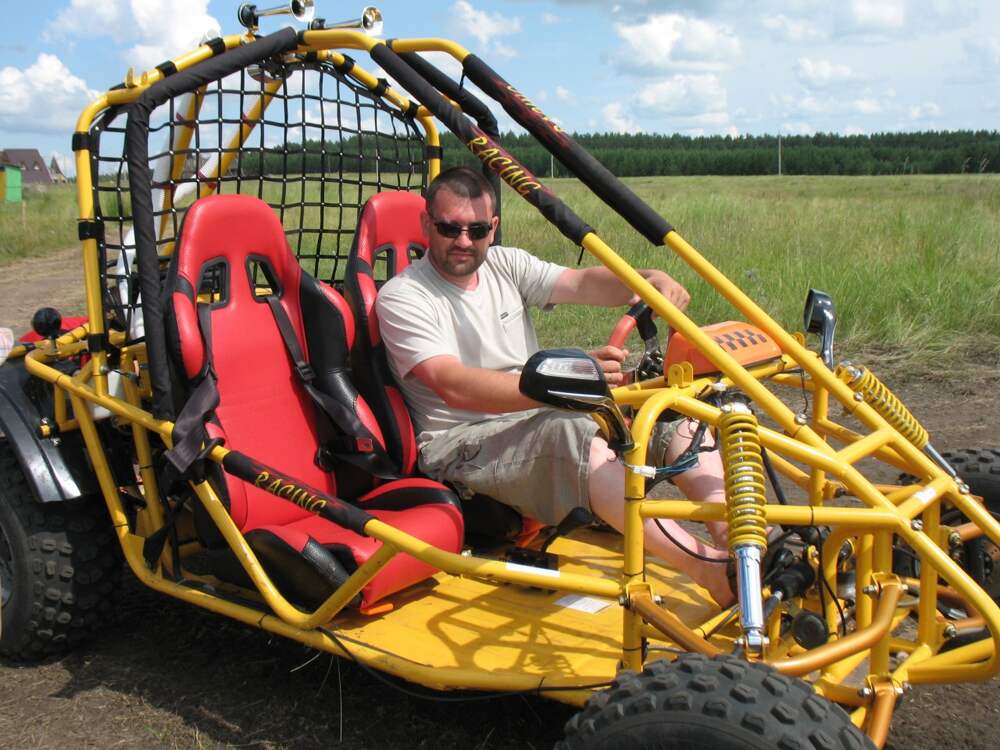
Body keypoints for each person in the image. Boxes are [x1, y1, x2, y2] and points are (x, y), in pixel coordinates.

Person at [376, 166, 733, 605]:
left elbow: (579, 282)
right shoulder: (404, 296)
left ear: (493, 227)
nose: (464, 241)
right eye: (449, 228)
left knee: (670, 414)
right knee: (572, 432)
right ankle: (711, 570)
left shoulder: (505, 264)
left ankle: (742, 543)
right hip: (460, 443)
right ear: (426, 224)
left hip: (536, 409)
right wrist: (559, 380)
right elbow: (453, 384)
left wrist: (646, 280)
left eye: (476, 230)